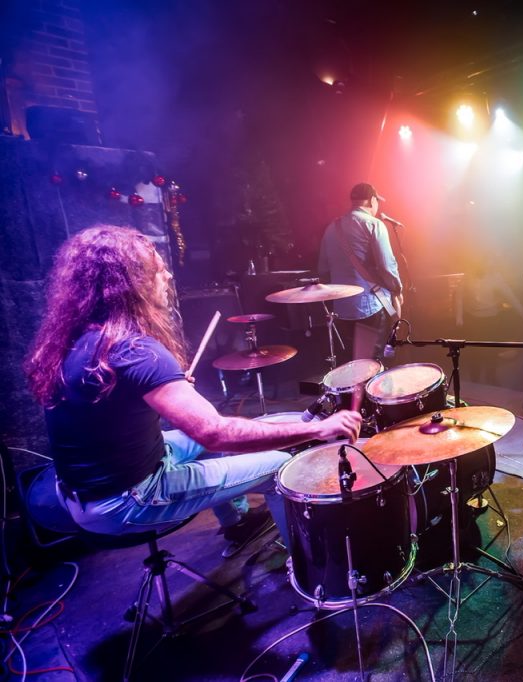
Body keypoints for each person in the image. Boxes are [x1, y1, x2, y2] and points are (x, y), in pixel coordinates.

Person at [24, 226, 362, 557]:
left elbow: (113, 414)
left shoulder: (77, 341)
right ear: (132, 284)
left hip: (84, 492)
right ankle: (314, 571)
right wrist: (318, 428)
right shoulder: (136, 352)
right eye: (158, 270)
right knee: (283, 463)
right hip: (127, 498)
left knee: (220, 433)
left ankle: (237, 524)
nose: (168, 276)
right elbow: (216, 433)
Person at [318, 182, 403, 363]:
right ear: (372, 200)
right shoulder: (374, 224)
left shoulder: (331, 228)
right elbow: (387, 266)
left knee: (351, 364)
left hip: (341, 308)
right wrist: (398, 289)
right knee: (374, 363)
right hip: (369, 306)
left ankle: (355, 392)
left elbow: (323, 269)